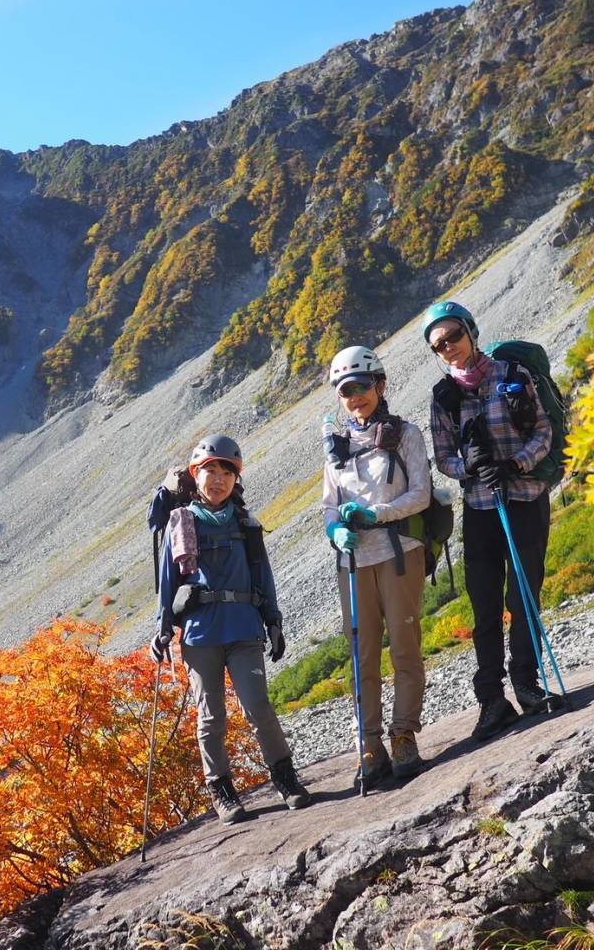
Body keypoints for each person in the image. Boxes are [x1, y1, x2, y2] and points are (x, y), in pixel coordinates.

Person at [150, 434, 311, 824]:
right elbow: (167, 582)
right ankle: (221, 791)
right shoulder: (181, 523)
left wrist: (274, 621)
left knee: (259, 707)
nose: (218, 479)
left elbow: (264, 577)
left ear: (236, 479)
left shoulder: (246, 523)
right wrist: (163, 629)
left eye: (226, 472)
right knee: (211, 716)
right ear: (195, 475)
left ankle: (285, 779)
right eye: (210, 471)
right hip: (201, 633)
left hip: (243, 628)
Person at [421, 301, 553, 741]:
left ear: (471, 332)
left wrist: (515, 464)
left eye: (453, 337)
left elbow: (543, 431)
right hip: (479, 508)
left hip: (525, 498)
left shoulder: (514, 374)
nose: (448, 349)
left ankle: (527, 684)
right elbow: (442, 457)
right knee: (484, 607)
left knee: (523, 598)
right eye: (439, 345)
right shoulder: (443, 398)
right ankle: (492, 700)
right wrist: (470, 467)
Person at [321, 346, 431, 786]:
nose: (355, 397)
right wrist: (335, 531)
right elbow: (329, 505)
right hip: (351, 562)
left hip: (399, 552)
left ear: (380, 386)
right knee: (361, 656)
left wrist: (376, 514)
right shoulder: (334, 448)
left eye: (362, 387)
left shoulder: (407, 435)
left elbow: (420, 495)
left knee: (405, 648)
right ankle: (369, 744)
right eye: (346, 391)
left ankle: (404, 735)